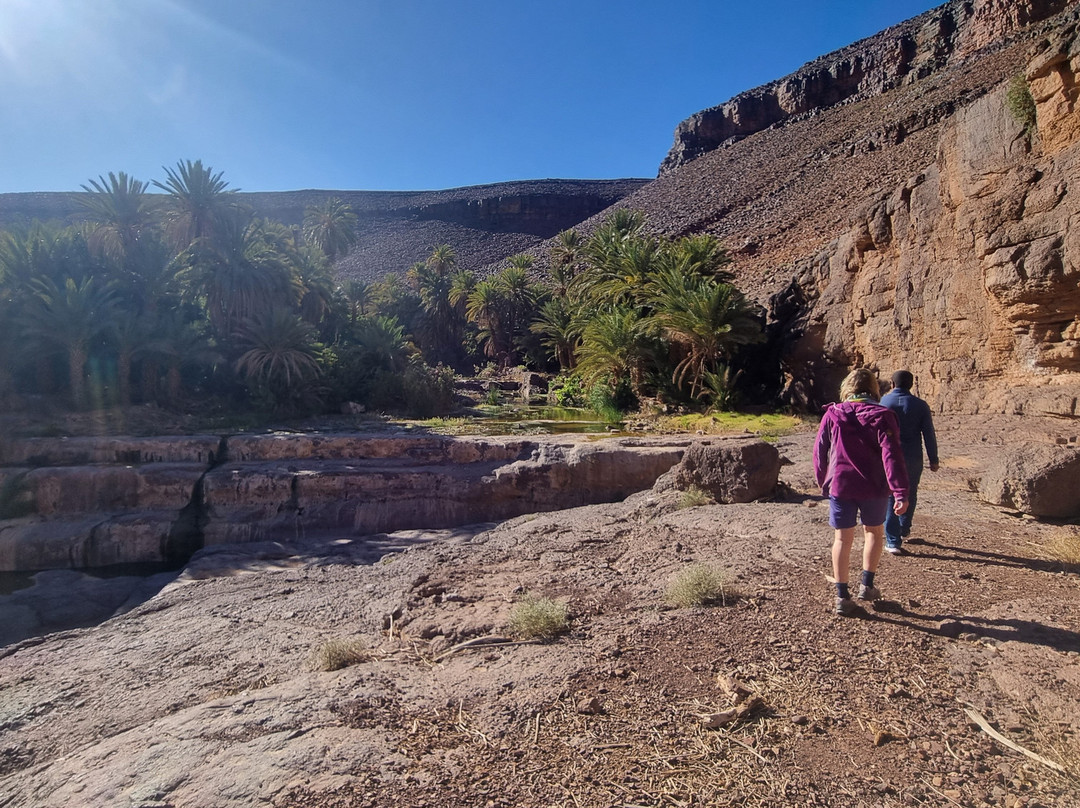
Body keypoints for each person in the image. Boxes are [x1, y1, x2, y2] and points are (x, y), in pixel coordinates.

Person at [814, 368, 909, 616]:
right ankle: (867, 585)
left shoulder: (833, 414)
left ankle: (842, 596)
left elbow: (819, 450)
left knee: (842, 539)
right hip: (874, 487)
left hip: (841, 486)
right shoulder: (884, 416)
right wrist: (900, 491)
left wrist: (822, 478)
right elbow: (892, 456)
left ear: (848, 388)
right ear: (874, 389)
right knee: (874, 532)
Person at [881, 370, 939, 554]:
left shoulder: (884, 403)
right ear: (911, 384)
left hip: (889, 455)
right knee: (910, 491)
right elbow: (929, 433)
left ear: (892, 384)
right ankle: (904, 526)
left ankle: (893, 540)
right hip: (913, 455)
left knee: (891, 495)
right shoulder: (920, 405)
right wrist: (934, 459)